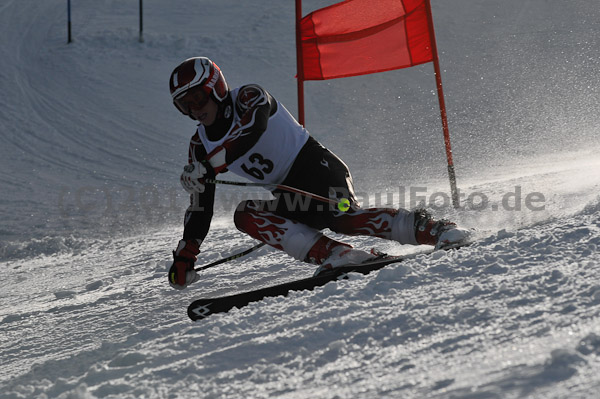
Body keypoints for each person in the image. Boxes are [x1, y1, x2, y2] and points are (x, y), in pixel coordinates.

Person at [168, 57, 470, 290]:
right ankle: (336, 255)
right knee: (245, 215)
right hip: (287, 193)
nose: (195, 110)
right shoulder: (199, 146)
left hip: (317, 168)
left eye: (198, 98)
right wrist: (187, 252)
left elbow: (251, 131)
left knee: (344, 219)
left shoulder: (248, 97)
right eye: (185, 105)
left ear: (216, 87)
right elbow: (201, 203)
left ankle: (438, 229)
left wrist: (209, 167)